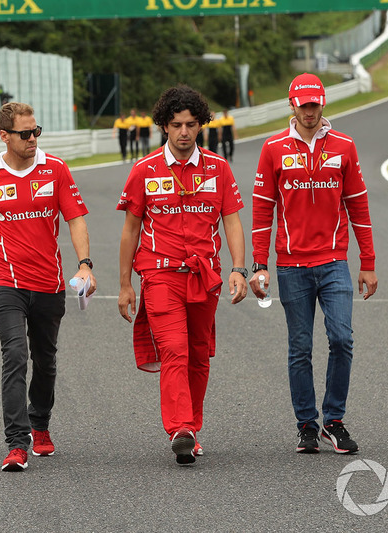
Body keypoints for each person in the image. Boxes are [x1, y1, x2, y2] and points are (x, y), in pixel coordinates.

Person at [117, 85, 248, 465]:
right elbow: (130, 230)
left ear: (201, 125)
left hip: (205, 275)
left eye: (191, 125)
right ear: (163, 126)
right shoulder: (144, 170)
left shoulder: (219, 169)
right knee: (173, 349)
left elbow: (232, 222)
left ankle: (192, 426)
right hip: (159, 275)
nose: (184, 132)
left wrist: (239, 269)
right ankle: (180, 428)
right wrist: (125, 284)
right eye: (176, 125)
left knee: (198, 354)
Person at [250, 73, 377, 455]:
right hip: (290, 265)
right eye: (303, 105)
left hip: (335, 260)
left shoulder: (344, 146)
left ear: (323, 104)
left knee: (342, 339)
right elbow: (262, 210)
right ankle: (307, 424)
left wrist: (367, 261)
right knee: (300, 347)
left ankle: (333, 420)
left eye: (315, 105)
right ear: (292, 105)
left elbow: (359, 206)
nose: (310, 112)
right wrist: (259, 264)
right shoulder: (273, 147)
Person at [0, 102, 97, 472]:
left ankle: (40, 422)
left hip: (50, 283)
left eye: (36, 131)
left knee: (46, 359)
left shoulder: (55, 169)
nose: (32, 139)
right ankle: (16, 443)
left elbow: (75, 219)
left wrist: (84, 265)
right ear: (5, 136)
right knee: (15, 355)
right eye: (25, 134)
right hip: (5, 281)